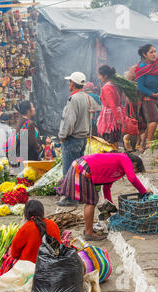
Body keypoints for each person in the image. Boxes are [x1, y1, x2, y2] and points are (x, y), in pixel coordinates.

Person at [58, 152, 150, 241]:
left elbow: (106, 188)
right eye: (136, 169)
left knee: (92, 200)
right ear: (135, 163)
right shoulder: (125, 158)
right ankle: (89, 234)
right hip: (84, 167)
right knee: (91, 201)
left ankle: (88, 230)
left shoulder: (117, 168)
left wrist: (109, 208)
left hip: (80, 165)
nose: (134, 170)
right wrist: (144, 191)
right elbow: (132, 178)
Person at [57, 72, 91, 206]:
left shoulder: (73, 99)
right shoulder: (86, 97)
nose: (68, 84)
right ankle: (79, 196)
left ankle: (70, 198)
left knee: (69, 170)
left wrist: (62, 136)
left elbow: (68, 121)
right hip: (82, 138)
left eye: (69, 81)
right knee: (79, 169)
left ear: (73, 83)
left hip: (73, 138)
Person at [97, 65, 125, 149]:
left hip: (110, 118)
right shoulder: (116, 86)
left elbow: (112, 104)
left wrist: (117, 119)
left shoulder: (106, 87)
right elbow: (120, 100)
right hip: (118, 113)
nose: (99, 77)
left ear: (105, 76)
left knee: (109, 141)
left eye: (99, 75)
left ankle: (112, 158)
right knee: (115, 139)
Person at [122, 65, 146, 152]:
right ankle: (126, 138)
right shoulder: (133, 69)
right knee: (134, 123)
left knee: (143, 124)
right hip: (134, 102)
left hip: (143, 101)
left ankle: (138, 144)